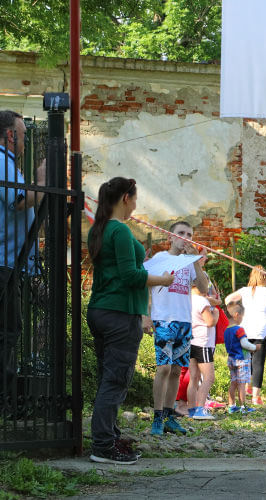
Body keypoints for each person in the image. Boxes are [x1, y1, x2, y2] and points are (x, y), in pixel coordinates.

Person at [86, 177, 174, 464]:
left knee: (107, 378)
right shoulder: (120, 231)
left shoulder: (99, 229)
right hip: (120, 313)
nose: (136, 204)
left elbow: (121, 271)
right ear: (126, 198)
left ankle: (108, 438)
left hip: (101, 310)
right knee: (116, 380)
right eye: (135, 199)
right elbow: (131, 276)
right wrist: (163, 279)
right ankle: (102, 447)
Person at [144, 221, 208, 436]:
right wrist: (145, 315)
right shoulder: (159, 259)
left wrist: (196, 260)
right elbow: (145, 284)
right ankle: (157, 416)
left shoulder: (190, 263)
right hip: (163, 319)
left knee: (175, 370)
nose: (185, 237)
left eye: (189, 234)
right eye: (181, 233)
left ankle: (170, 416)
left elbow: (203, 288)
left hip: (184, 321)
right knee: (163, 368)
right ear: (170, 237)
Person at [0, 110, 45, 396]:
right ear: (10, 135)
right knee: (6, 332)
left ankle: (6, 397)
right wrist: (42, 182)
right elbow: (19, 201)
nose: (26, 142)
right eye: (24, 136)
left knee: (10, 330)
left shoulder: (9, 163)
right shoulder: (1, 160)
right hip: (3, 262)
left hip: (10, 262)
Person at [224, 265, 266, 405]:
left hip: (245, 329)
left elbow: (228, 299)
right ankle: (255, 397)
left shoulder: (245, 291)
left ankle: (246, 390)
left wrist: (236, 312)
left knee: (246, 360)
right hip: (261, 330)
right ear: (265, 277)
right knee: (258, 363)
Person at [187, 283, 219, 420]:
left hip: (190, 341)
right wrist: (215, 314)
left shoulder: (188, 299)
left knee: (193, 378)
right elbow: (210, 322)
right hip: (203, 343)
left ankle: (191, 409)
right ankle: (200, 408)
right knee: (209, 377)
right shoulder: (202, 301)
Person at [223, 301, 256, 413]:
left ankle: (232, 406)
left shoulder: (226, 330)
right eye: (242, 316)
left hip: (231, 359)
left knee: (234, 382)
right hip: (242, 360)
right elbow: (244, 344)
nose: (242, 318)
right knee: (242, 384)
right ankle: (243, 407)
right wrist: (254, 347)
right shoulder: (239, 329)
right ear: (237, 315)